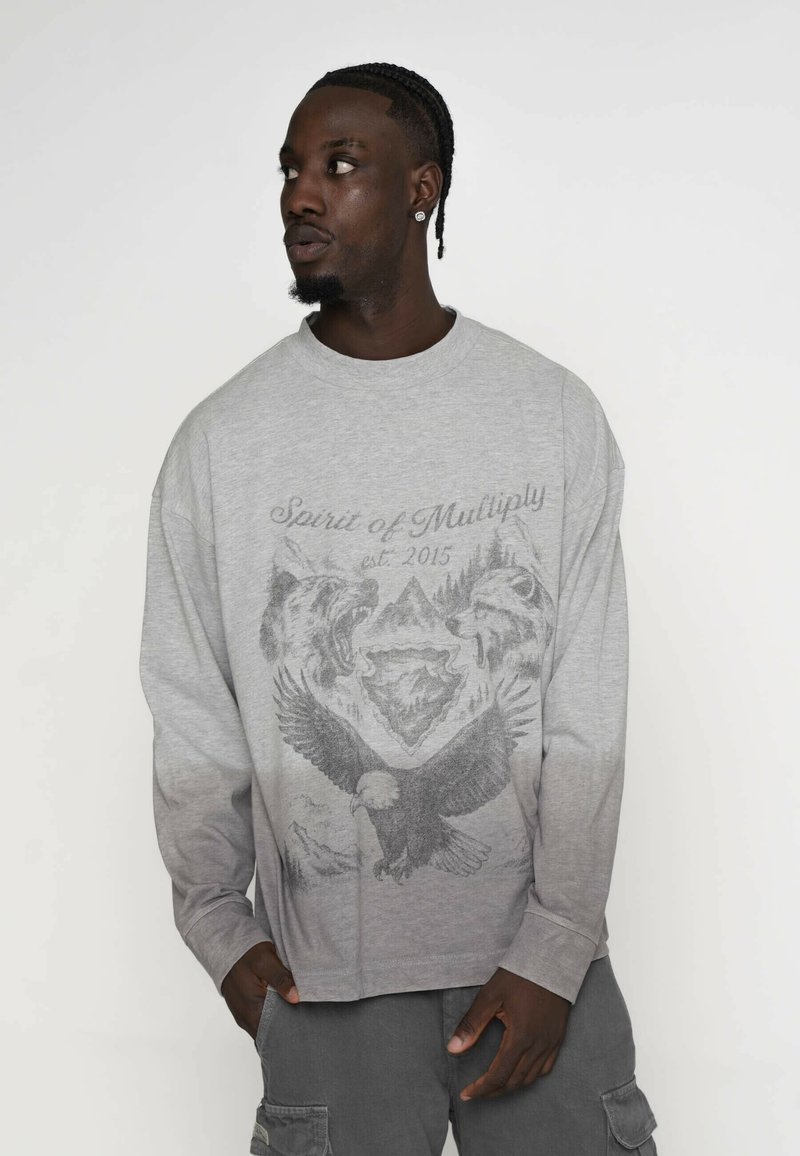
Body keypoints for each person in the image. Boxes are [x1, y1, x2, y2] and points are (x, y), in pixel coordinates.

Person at [139, 61, 659, 1156]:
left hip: (540, 980)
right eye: (291, 169)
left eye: (340, 166)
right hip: (324, 992)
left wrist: (555, 947)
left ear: (422, 188)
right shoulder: (221, 445)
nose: (301, 194)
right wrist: (220, 930)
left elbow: (587, 713)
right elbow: (191, 708)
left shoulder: (550, 417)